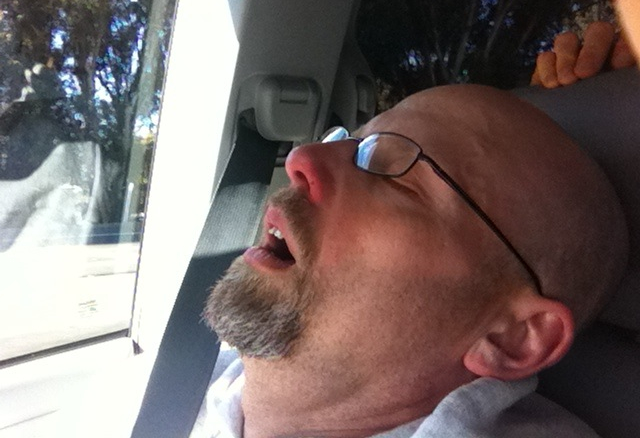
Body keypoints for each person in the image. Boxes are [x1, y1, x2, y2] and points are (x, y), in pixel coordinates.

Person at [193, 83, 628, 438]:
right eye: (344, 140)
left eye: (395, 172)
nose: (301, 158)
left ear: (513, 336)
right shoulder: (190, 372)